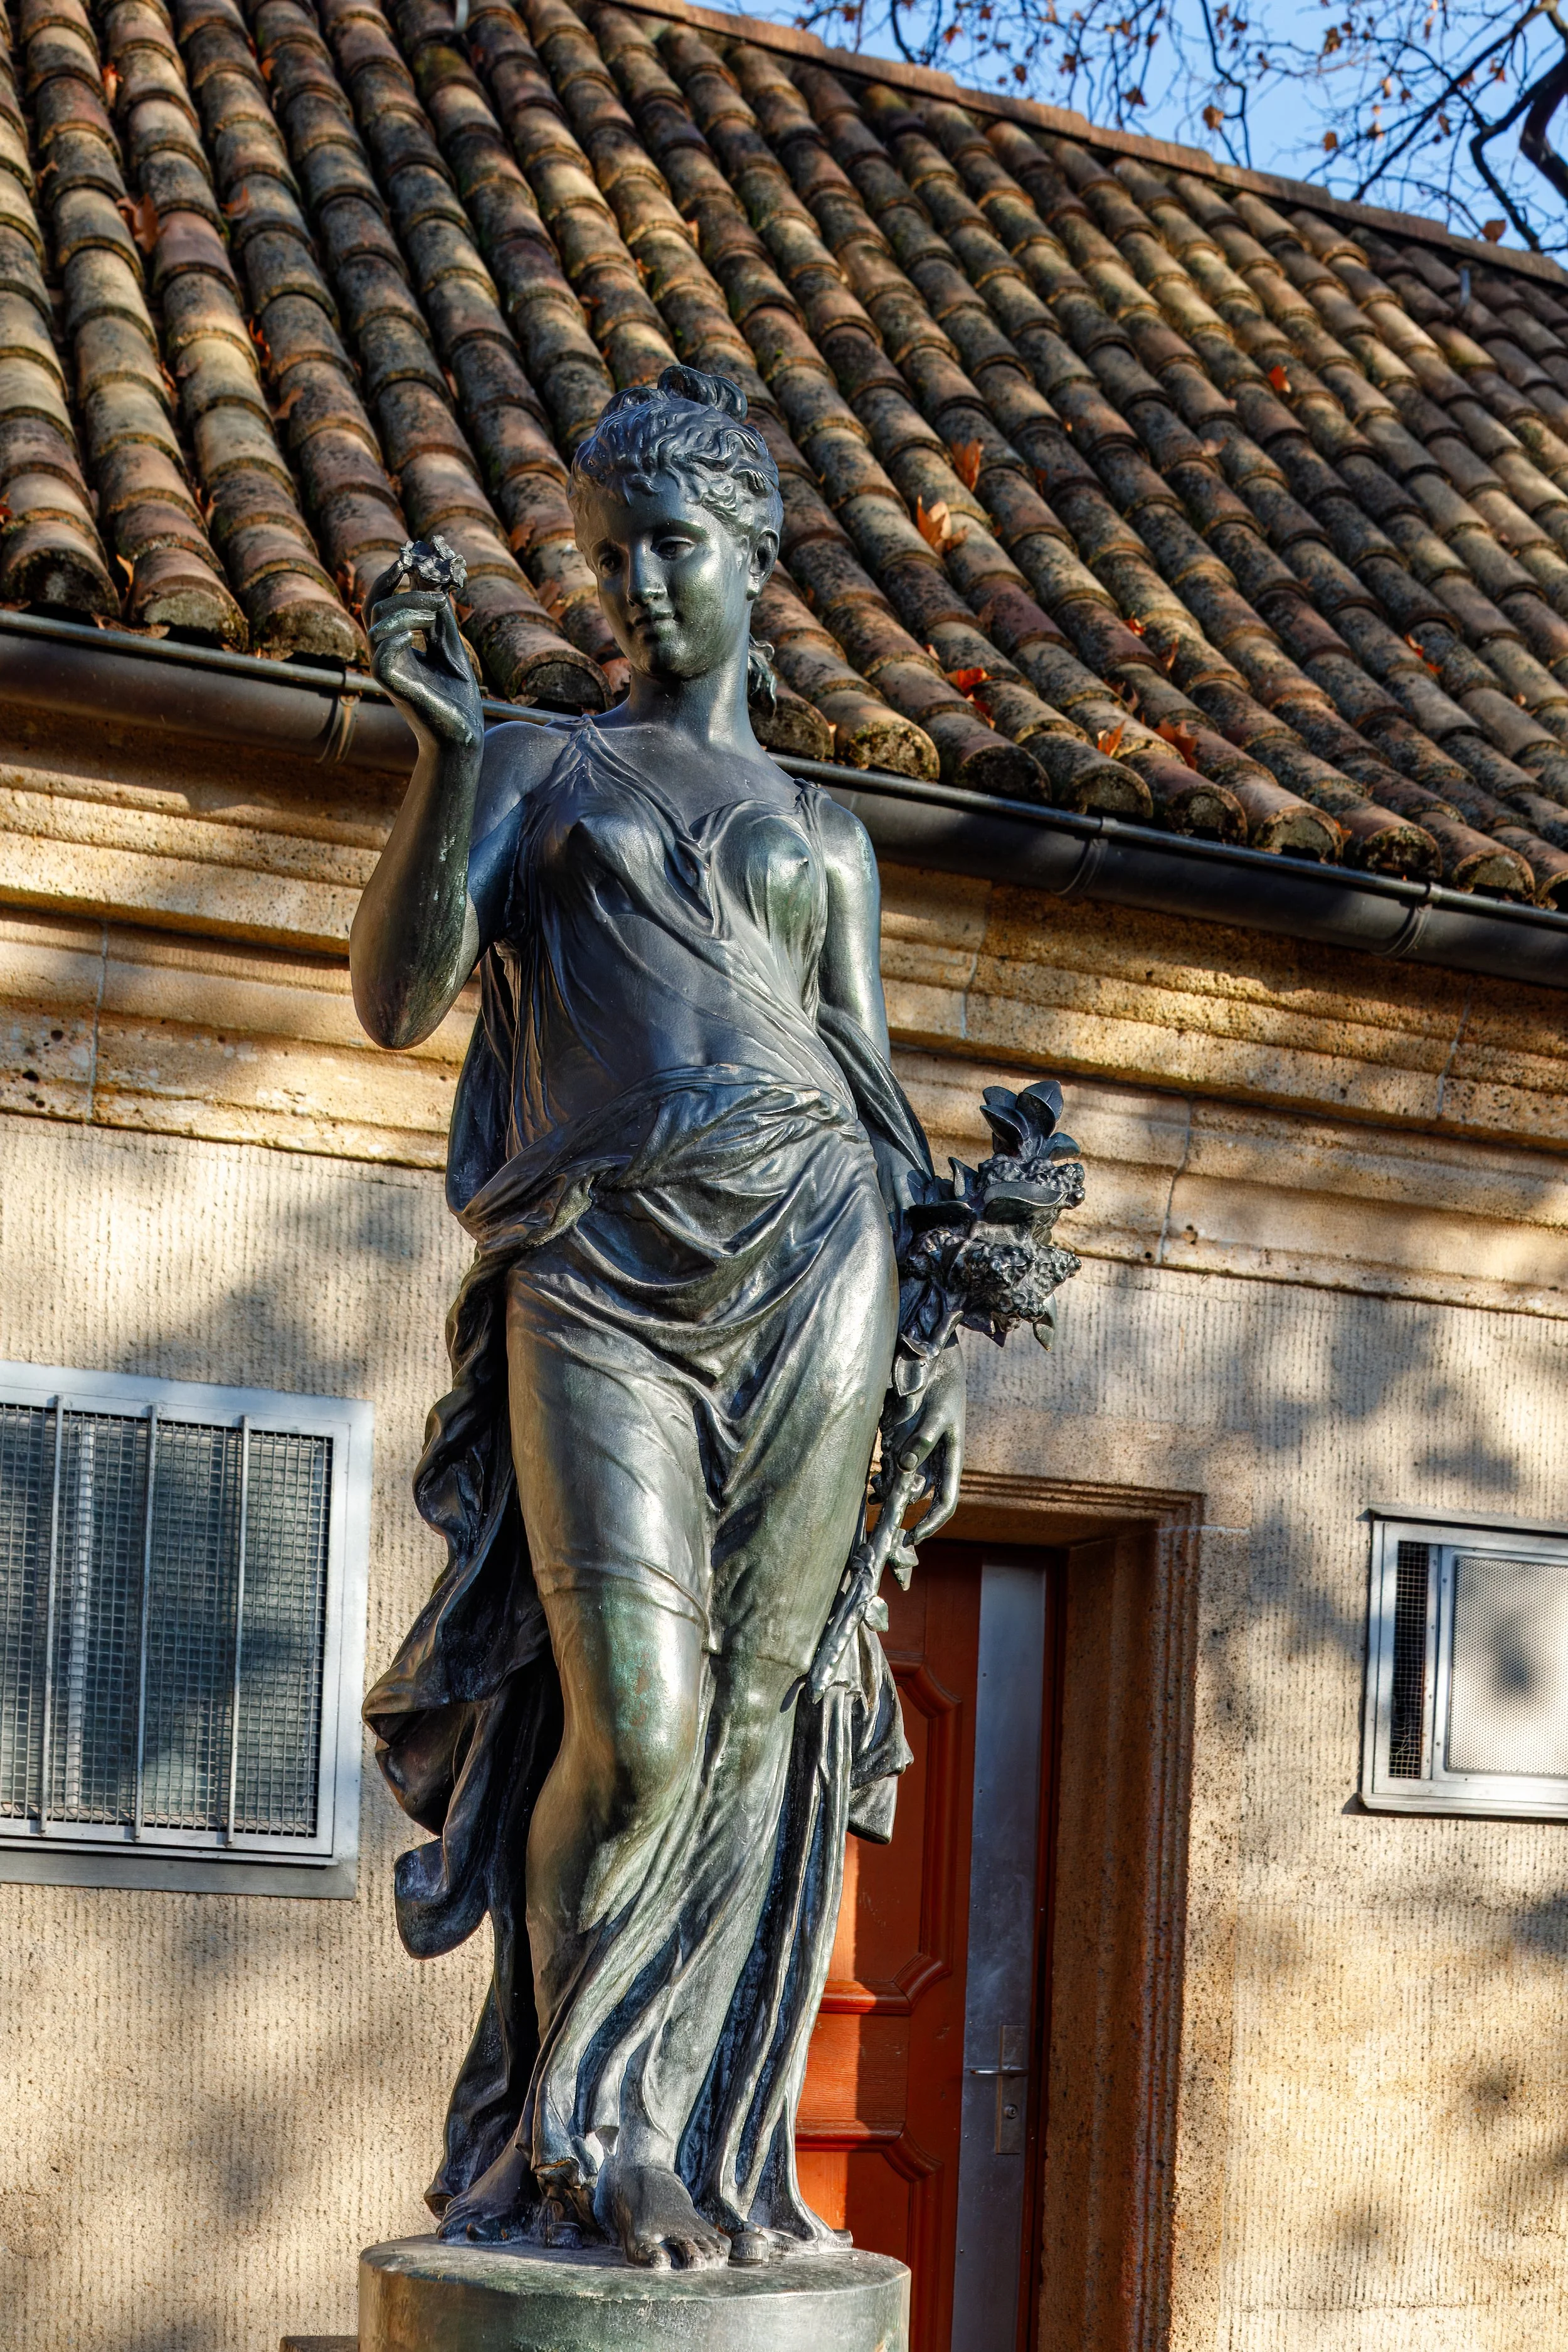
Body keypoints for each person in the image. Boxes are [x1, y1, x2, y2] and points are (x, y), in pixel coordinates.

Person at [351, 366, 965, 2272]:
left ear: (754, 556)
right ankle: (580, 2130)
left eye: (675, 546)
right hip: (600, 1266)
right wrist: (444, 759)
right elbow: (396, 996)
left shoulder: (826, 834)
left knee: (760, 1715)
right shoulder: (535, 768)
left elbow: (872, 1091)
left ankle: (695, 2136)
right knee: (638, 1715)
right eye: (611, 552)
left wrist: (930, 1344)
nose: (638, 584)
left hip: (818, 1260)